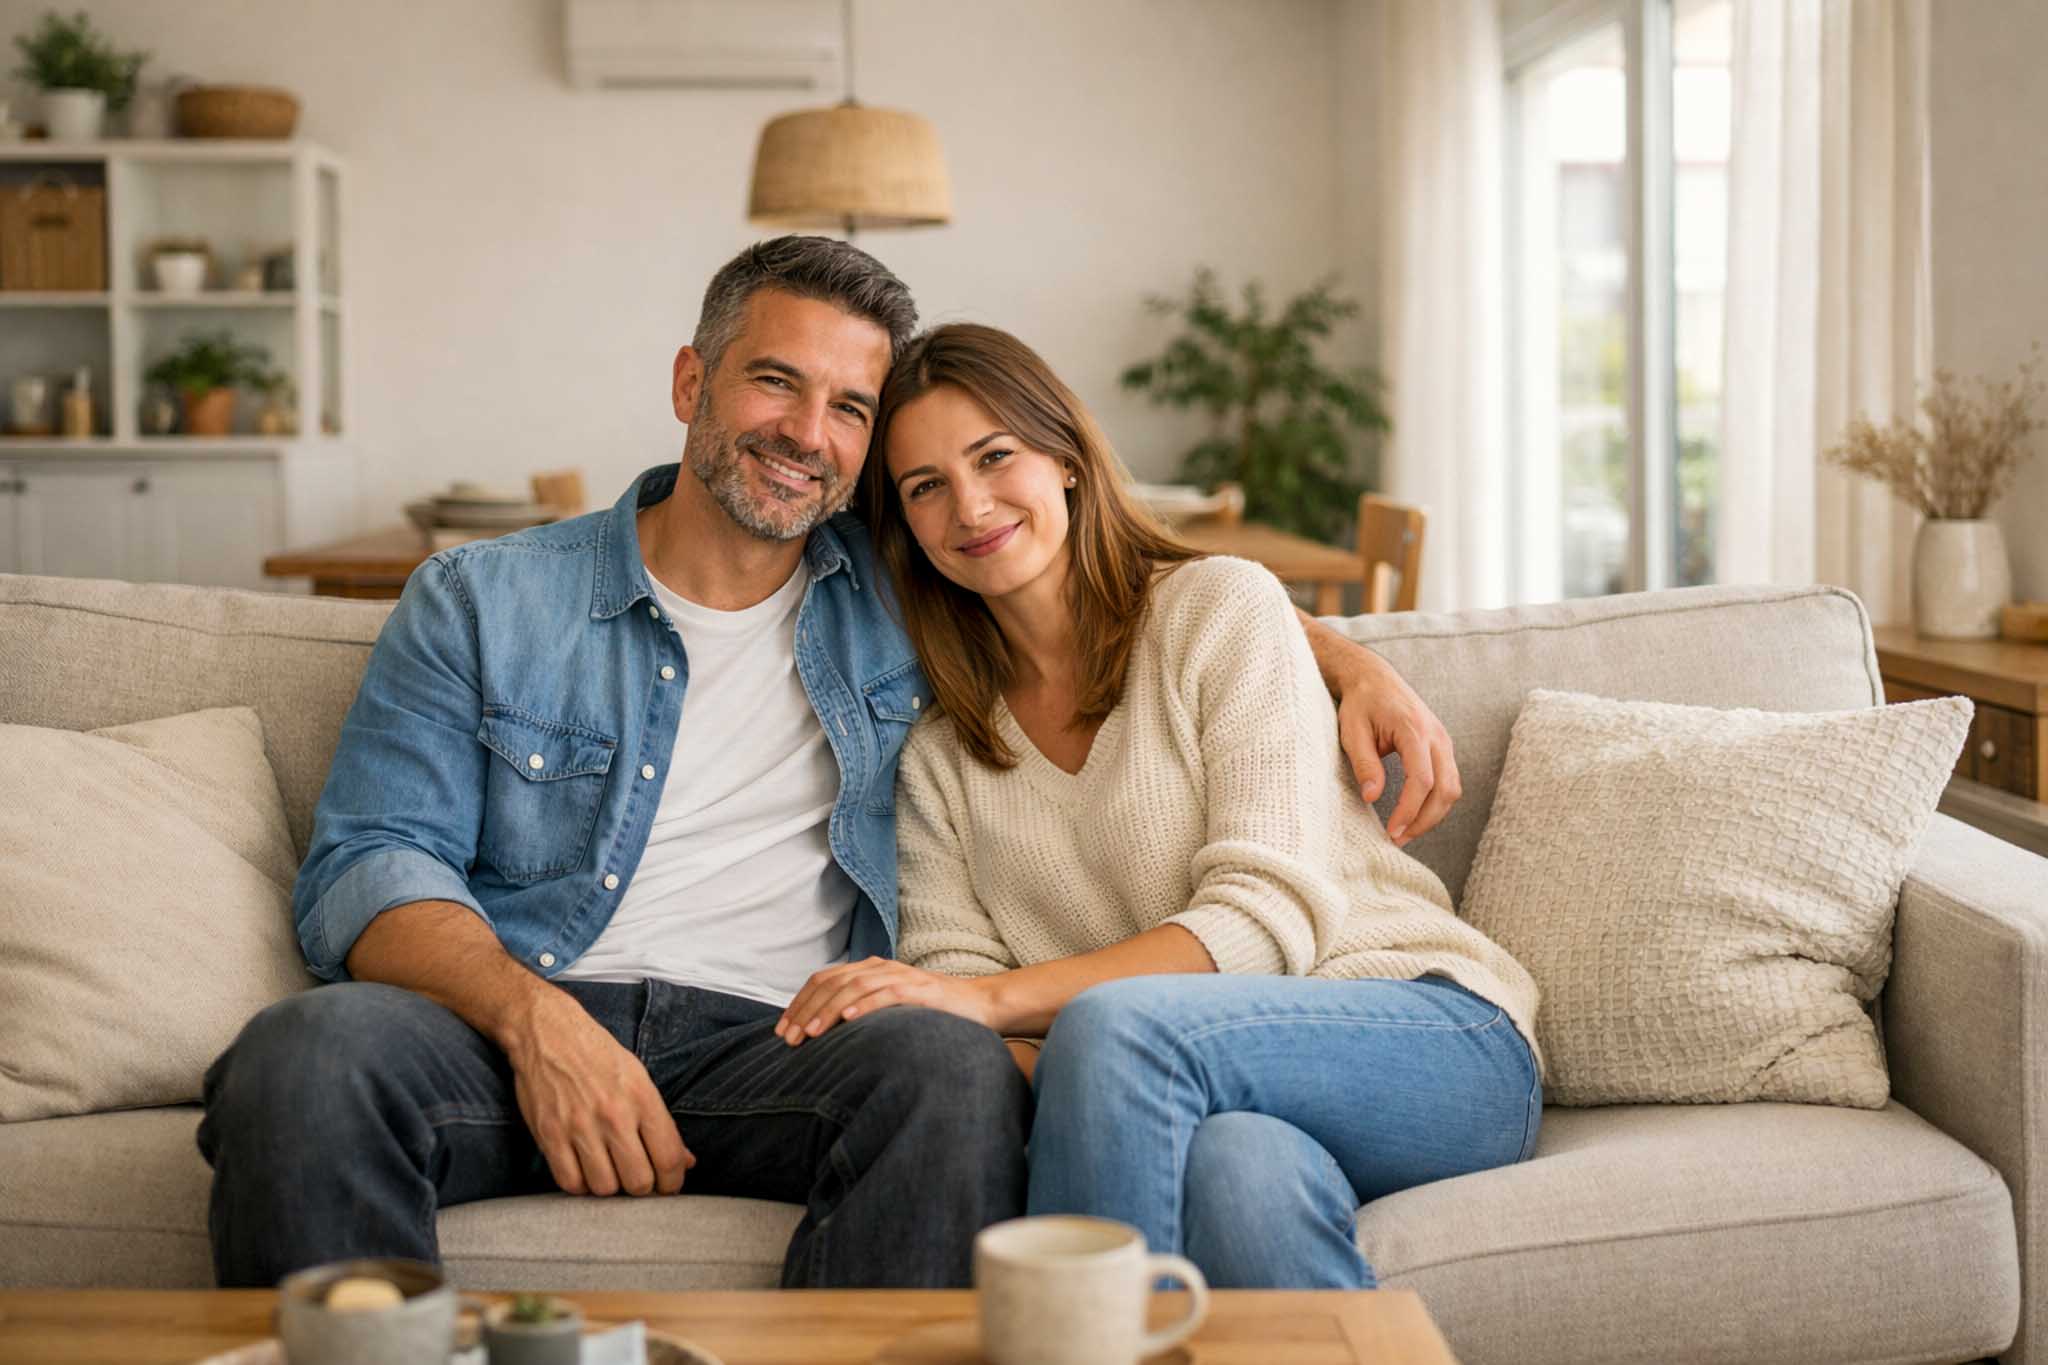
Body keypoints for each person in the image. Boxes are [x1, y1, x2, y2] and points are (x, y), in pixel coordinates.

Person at [197, 238, 1457, 1290]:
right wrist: (533, 1022)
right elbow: (369, 861)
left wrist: (1341, 656)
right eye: (772, 384)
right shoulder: (480, 600)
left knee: (949, 1073)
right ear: (692, 380)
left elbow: (1102, 580)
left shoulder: (904, 590)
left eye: (847, 408)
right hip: (515, 1016)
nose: (805, 434)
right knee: (303, 1057)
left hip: (781, 1043)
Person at [776, 323, 1543, 1290]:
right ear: (905, 530)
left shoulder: (1217, 610)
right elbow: (961, 993)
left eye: (995, 455)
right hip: (1213, 1092)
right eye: (926, 486)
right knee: (1237, 1177)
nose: (970, 504)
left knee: (1113, 1026)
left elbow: (1264, 923)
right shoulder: (939, 754)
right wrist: (965, 1011)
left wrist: (998, 1004)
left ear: (1063, 458)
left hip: (1427, 1031)